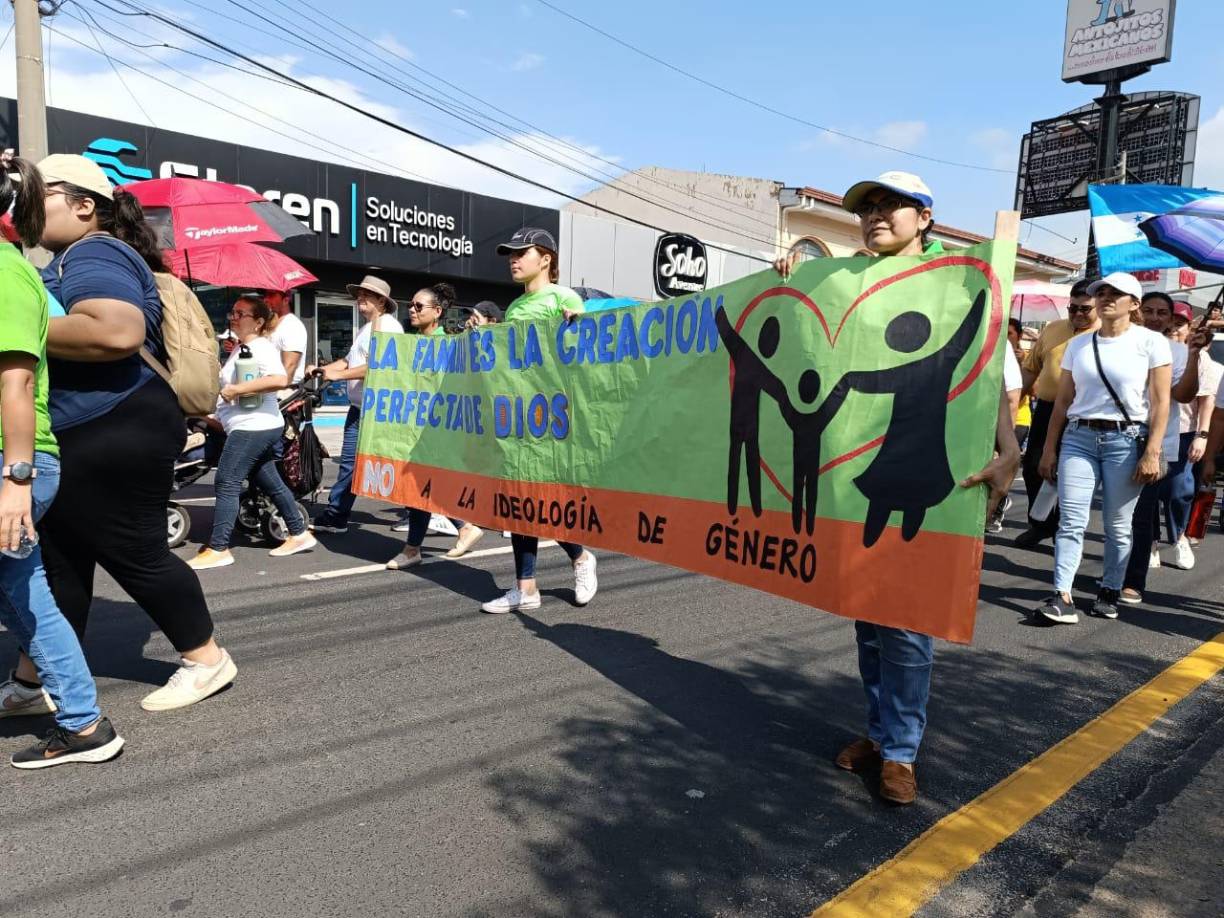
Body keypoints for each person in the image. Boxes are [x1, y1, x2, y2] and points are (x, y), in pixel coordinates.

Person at [774, 171, 1020, 805]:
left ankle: (902, 752)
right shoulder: (847, 284)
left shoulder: (963, 283)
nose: (875, 216)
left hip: (940, 479)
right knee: (868, 615)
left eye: (891, 206)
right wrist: (788, 280)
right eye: (868, 208)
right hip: (857, 480)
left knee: (907, 621)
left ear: (926, 217)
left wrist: (1010, 451)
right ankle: (881, 736)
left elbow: (988, 369)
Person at [22, 154, 235, 713]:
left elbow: (115, 331)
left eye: (38, 193)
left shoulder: (93, 251)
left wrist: (17, 327)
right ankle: (32, 682)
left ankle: (206, 658)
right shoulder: (74, 257)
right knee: (61, 560)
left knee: (133, 550)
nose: (25, 204)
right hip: (95, 422)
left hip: (113, 420)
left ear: (83, 204)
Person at [0, 153, 124, 768]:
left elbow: (16, 385)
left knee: (27, 594)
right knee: (26, 594)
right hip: (17, 464)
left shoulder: (4, 272)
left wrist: (15, 481)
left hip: (13, 464)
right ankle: (82, 725)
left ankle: (82, 723)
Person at [1034, 273, 1171, 624]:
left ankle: (1110, 588)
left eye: (1116, 294)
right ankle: (1061, 595)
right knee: (1070, 521)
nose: (1106, 298)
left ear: (1134, 304)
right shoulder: (1079, 344)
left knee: (1118, 525)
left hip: (1126, 440)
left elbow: (1160, 402)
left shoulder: (1151, 343)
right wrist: (1050, 449)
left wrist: (1152, 451)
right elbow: (1063, 401)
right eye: (1102, 293)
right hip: (1078, 437)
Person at [479, 228, 599, 614]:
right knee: (519, 504)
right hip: (517, 418)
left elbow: (585, 347)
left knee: (541, 502)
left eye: (521, 253)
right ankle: (526, 589)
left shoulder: (563, 297)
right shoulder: (514, 308)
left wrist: (578, 320)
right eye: (509, 254)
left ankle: (580, 558)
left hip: (553, 419)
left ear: (545, 259)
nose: (513, 260)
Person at [189, 295, 316, 570]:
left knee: (226, 480)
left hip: (253, 426)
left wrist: (236, 390)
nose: (233, 317)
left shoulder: (261, 347)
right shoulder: (242, 348)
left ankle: (219, 547)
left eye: (241, 313)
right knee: (269, 480)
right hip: (251, 424)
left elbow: (280, 379)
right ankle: (299, 533)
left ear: (258, 322)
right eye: (232, 312)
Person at [385, 283, 484, 567]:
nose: (412, 311)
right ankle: (461, 527)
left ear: (437, 312)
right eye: (411, 306)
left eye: (419, 307)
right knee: (424, 487)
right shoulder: (409, 343)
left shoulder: (450, 344)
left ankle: (413, 549)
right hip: (414, 428)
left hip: (438, 429)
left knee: (421, 487)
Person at [310, 275, 403, 534]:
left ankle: (449, 517)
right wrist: (322, 369)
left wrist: (338, 375)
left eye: (367, 295)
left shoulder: (387, 325)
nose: (360, 299)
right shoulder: (366, 328)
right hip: (359, 408)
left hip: (378, 411)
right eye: (359, 294)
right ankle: (336, 515)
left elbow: (380, 364)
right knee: (352, 464)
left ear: (381, 301)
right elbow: (350, 362)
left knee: (398, 464)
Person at [1015, 280, 1099, 548]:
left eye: (1085, 309)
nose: (1077, 314)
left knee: (1071, 475)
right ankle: (1041, 524)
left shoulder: (1105, 335)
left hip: (1083, 414)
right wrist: (1011, 402)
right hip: (1048, 409)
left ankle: (1066, 532)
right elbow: (1031, 369)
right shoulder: (1052, 329)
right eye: (1072, 308)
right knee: (1033, 467)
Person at [1158, 301, 1220, 563]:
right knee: (1147, 491)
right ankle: (1149, 540)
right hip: (1148, 429)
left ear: (1190, 326)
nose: (1173, 327)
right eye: (1169, 321)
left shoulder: (1200, 358)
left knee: (1178, 491)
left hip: (1184, 432)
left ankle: (1179, 535)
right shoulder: (1150, 350)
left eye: (1180, 323)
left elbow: (1206, 400)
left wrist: (1202, 436)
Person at [264, 288, 307, 385]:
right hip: (266, 390)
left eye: (271, 295)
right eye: (266, 295)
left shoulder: (292, 326)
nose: (266, 299)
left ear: (286, 300)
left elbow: (289, 369)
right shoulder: (269, 323)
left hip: (281, 394)